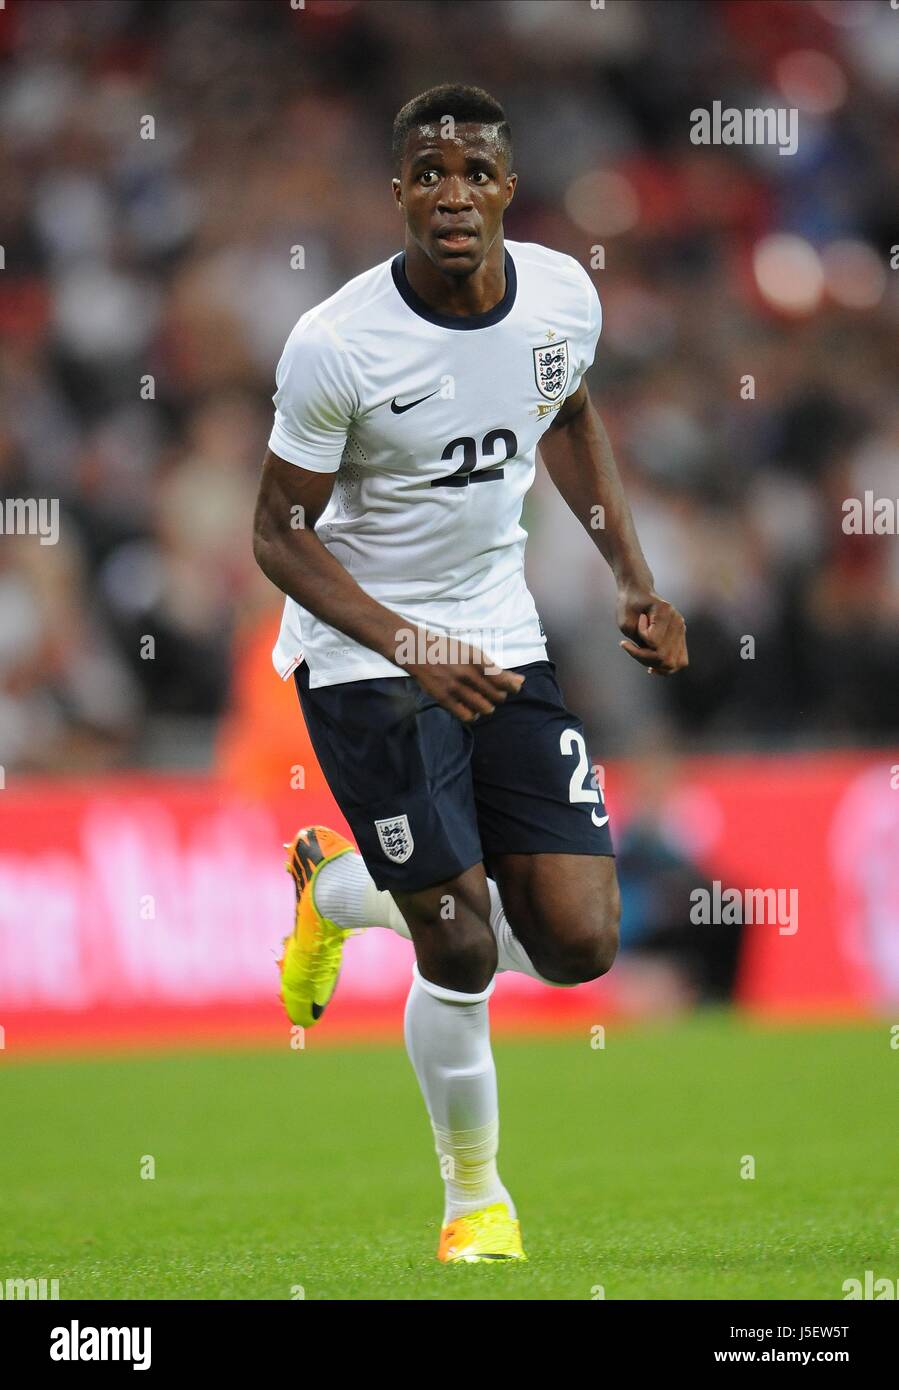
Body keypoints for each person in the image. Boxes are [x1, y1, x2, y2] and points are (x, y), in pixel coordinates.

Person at [252, 84, 688, 1264]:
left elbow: (565, 411)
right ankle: (474, 1202)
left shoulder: (560, 294)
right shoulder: (336, 344)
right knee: (452, 938)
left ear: (507, 188)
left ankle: (333, 889)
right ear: (397, 193)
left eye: (474, 173)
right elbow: (276, 535)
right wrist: (407, 644)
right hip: (363, 655)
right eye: (428, 174)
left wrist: (629, 575)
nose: (453, 194)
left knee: (579, 943)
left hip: (501, 635)